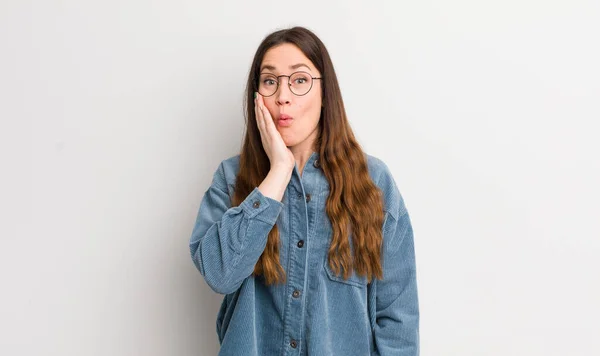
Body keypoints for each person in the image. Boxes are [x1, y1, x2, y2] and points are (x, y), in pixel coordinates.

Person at [189, 26, 419, 356]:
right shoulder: (230, 179)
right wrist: (278, 172)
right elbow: (219, 275)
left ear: (325, 95)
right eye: (270, 81)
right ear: (257, 97)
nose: (283, 95)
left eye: (299, 80)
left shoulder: (373, 182)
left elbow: (397, 318)